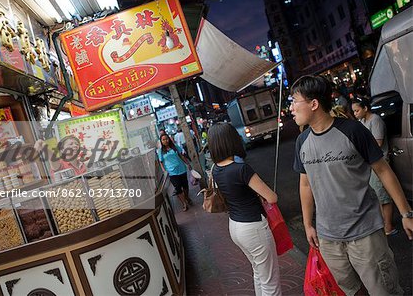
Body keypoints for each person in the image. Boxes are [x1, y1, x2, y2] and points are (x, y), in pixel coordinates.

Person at [290, 75, 412, 295]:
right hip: (328, 238)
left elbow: (383, 170)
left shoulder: (353, 131)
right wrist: (308, 224)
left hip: (366, 233)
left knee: (383, 290)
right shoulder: (302, 141)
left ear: (314, 104)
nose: (291, 108)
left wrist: (406, 213)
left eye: (294, 101)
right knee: (351, 291)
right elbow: (305, 185)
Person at [208, 122, 281, 296]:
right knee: (270, 280)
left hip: (235, 226)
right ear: (232, 140)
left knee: (258, 272)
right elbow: (272, 197)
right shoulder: (241, 169)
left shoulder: (215, 169)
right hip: (253, 227)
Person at [352, 97, 397, 236]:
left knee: (382, 195)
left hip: (379, 162)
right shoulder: (362, 121)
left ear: (365, 108)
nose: (355, 114)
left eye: (357, 110)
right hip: (369, 163)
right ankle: (384, 224)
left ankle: (389, 226)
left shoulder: (375, 120)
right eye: (353, 111)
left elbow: (377, 143)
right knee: (377, 195)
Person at [158, 133, 192, 211]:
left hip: (181, 169)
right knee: (178, 188)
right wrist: (164, 171)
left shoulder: (175, 147)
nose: (165, 141)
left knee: (185, 186)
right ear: (161, 141)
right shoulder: (160, 151)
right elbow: (161, 162)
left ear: (169, 139)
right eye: (163, 140)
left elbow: (181, 155)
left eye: (166, 139)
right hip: (172, 172)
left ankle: (186, 197)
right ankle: (184, 203)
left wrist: (187, 163)